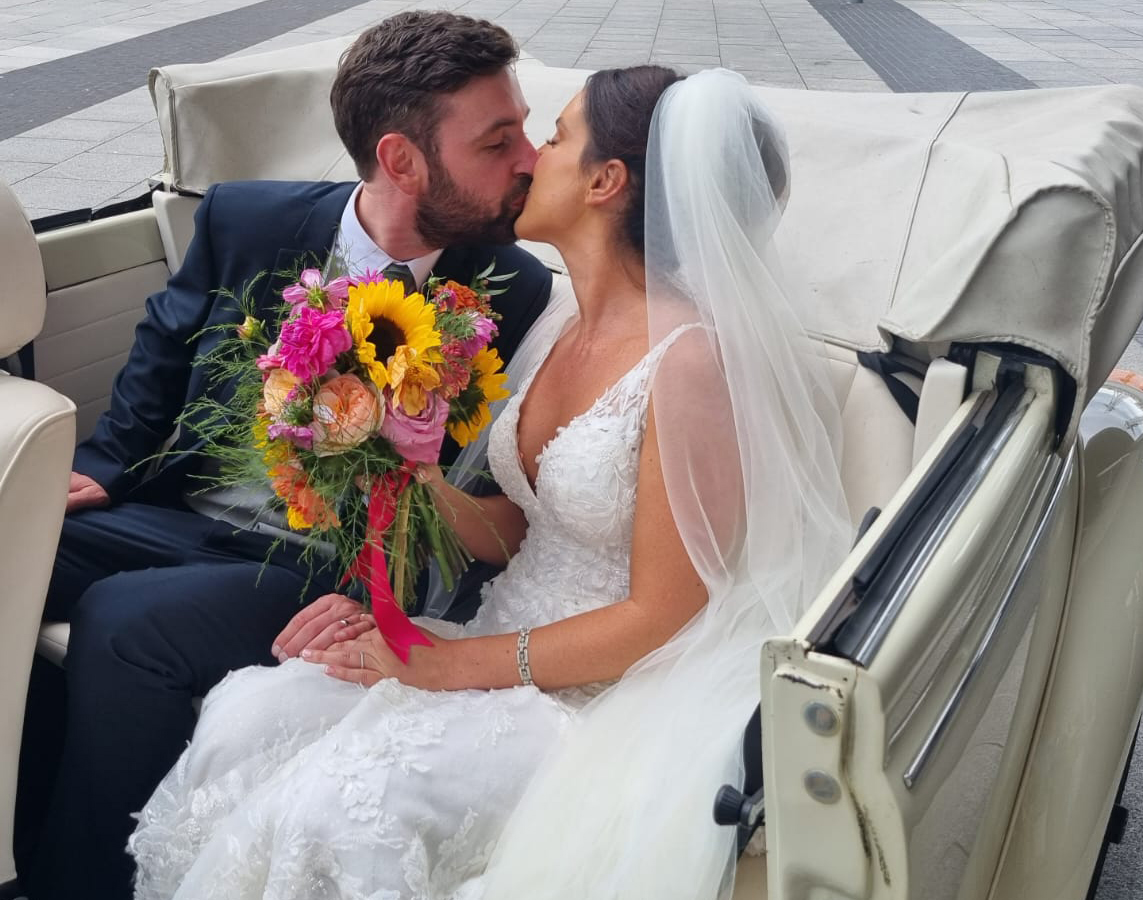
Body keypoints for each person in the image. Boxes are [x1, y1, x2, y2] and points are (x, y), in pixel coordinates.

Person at [128, 66, 854, 900]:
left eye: (556, 137)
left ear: (605, 182)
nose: (529, 158)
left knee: (334, 811)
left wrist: (453, 663)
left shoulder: (689, 364)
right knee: (243, 720)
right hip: (492, 640)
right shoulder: (559, 321)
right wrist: (420, 473)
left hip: (596, 694)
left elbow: (662, 617)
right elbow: (524, 525)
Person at [14, 12, 555, 900]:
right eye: (499, 141)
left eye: (522, 131)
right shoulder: (246, 219)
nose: (528, 157)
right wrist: (104, 469)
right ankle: (5, 833)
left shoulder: (511, 290)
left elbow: (481, 491)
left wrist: (367, 599)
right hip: (184, 514)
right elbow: (164, 350)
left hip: (324, 565)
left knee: (124, 617)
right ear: (402, 159)